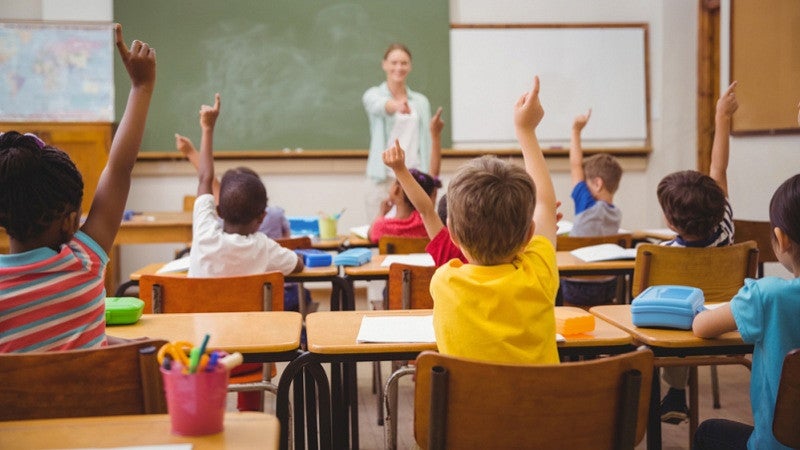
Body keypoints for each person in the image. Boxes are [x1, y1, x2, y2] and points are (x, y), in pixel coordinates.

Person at [0, 24, 156, 352]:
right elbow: (120, 168)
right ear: (71, 222)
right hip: (102, 406)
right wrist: (141, 87)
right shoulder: (83, 262)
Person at [430, 76, 560, 365]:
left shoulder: (444, 281)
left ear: (451, 231)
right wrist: (525, 131)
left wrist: (524, 128)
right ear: (529, 235)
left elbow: (544, 208)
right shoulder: (538, 273)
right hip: (544, 411)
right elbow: (546, 206)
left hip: (469, 412)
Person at [188, 93, 303, 411]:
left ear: (219, 209)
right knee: (251, 340)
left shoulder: (205, 234)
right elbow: (298, 266)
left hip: (200, 355)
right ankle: (251, 420)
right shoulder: (264, 247)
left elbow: (204, 178)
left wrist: (207, 128)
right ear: (263, 218)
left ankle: (203, 421)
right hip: (251, 358)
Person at [692, 173, 800, 450]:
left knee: (707, 431)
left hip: (777, 446)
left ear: (781, 239)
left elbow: (701, 326)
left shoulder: (768, 296)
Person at [657, 81, 739, 425]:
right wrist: (722, 116)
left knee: (669, 322)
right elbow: (718, 168)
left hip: (678, 333)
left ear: (670, 222)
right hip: (727, 320)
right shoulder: (726, 230)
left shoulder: (662, 253)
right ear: (719, 209)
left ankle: (672, 393)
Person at [382, 108, 467, 266]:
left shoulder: (384, 226)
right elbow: (427, 205)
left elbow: (426, 210)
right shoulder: (518, 262)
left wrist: (399, 169)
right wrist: (435, 137)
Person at [561, 109, 624, 307]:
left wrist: (575, 131)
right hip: (607, 284)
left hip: (577, 285)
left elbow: (575, 166)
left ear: (597, 184)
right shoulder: (616, 214)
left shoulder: (587, 205)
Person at [362, 43, 432, 222]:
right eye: (393, 62)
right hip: (383, 178)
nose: (398, 67)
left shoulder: (421, 102)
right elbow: (378, 106)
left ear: (410, 66)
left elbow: (427, 142)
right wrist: (397, 106)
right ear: (384, 64)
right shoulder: (373, 94)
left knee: (413, 232)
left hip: (413, 177)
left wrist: (430, 176)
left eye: (404, 63)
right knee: (380, 232)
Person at [175, 134, 290, 239]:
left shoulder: (215, 229)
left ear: (220, 210)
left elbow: (207, 180)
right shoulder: (275, 215)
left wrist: (190, 151)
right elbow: (287, 242)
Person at [367, 165, 439, 244]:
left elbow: (370, 235)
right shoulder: (428, 225)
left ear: (396, 190)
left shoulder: (382, 226)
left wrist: (381, 213)